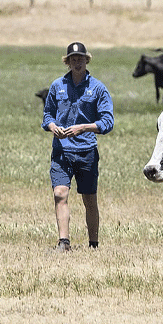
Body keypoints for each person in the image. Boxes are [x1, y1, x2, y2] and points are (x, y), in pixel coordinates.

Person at [42, 41, 114, 251]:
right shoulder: (57, 86)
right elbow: (47, 115)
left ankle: (93, 243)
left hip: (86, 152)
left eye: (80, 59)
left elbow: (108, 122)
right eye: (73, 59)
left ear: (86, 60)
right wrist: (52, 126)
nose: (77, 62)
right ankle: (64, 242)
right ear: (67, 62)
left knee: (89, 199)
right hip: (61, 151)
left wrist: (83, 128)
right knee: (59, 194)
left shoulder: (98, 88)